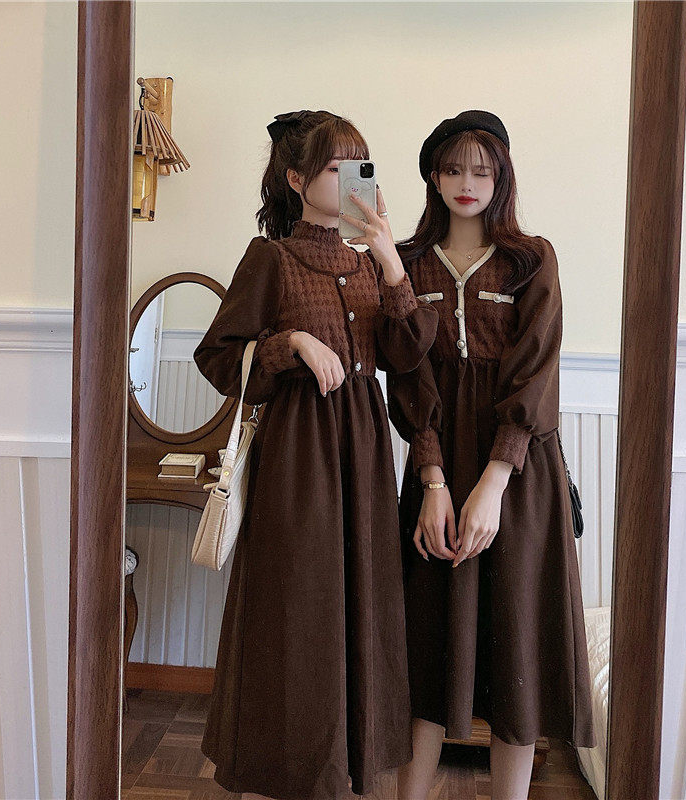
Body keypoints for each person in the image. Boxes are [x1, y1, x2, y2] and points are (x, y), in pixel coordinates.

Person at [193, 110, 438, 800]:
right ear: (297, 179)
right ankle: (285, 770)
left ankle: (343, 767)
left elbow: (408, 352)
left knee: (361, 604)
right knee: (297, 611)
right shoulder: (269, 258)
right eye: (335, 166)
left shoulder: (369, 264)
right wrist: (291, 345)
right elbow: (217, 358)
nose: (353, 178)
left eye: (361, 164)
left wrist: (389, 257)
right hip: (298, 460)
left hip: (364, 457)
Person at [386, 110, 596, 800]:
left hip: (519, 479)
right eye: (452, 169)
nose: (466, 183)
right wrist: (434, 480)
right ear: (432, 176)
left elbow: (536, 376)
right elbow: (408, 376)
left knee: (517, 663)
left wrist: (493, 484)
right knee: (425, 654)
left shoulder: (532, 259)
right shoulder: (408, 263)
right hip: (437, 474)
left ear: (502, 175)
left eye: (481, 170)